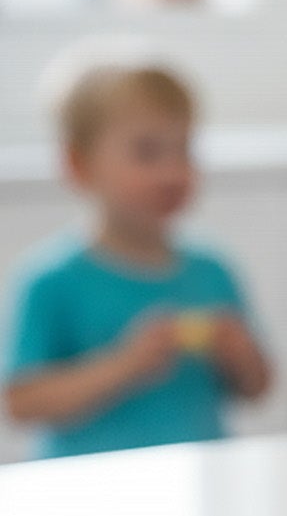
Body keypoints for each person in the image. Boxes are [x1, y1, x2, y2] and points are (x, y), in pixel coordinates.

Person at [2, 52, 271, 458]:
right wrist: (124, 365)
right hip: (87, 485)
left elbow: (258, 389)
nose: (172, 171)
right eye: (147, 152)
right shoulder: (50, 281)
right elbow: (20, 403)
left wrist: (241, 353)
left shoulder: (213, 270)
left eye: (184, 149)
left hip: (202, 479)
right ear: (79, 164)